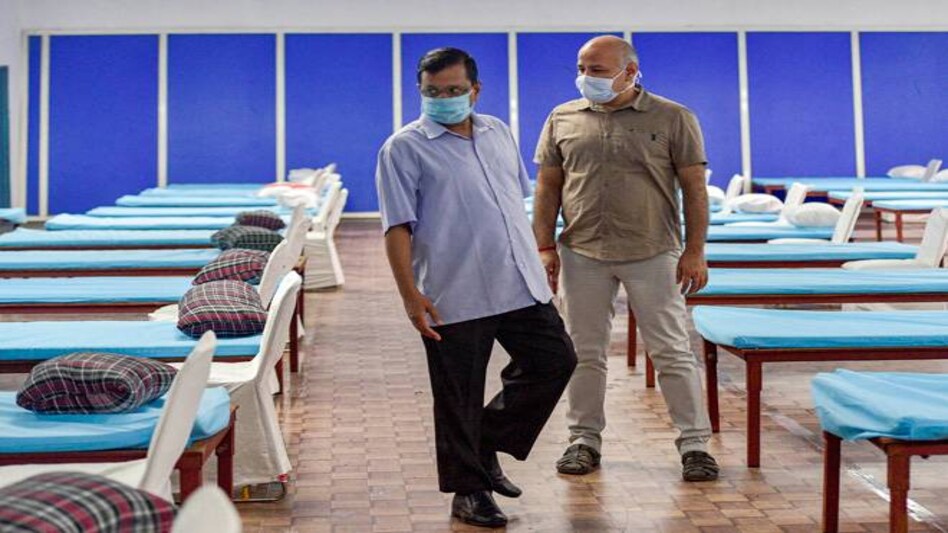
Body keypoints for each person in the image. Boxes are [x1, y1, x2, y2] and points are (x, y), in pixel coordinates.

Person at [375, 47, 577, 528]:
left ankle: (482, 442)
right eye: (432, 92)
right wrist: (409, 296)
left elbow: (512, 205)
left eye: (453, 91)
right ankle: (469, 493)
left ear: (476, 90)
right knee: (457, 396)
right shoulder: (403, 148)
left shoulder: (498, 133)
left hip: (518, 281)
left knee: (556, 361)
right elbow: (397, 228)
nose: (442, 99)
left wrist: (539, 256)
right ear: (420, 91)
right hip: (453, 293)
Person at [532, 35, 720, 482]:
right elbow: (547, 188)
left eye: (597, 70)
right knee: (583, 351)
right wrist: (542, 245)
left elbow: (694, 189)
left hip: (652, 251)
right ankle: (583, 440)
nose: (585, 77)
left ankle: (695, 444)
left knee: (672, 350)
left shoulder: (673, 118)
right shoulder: (562, 118)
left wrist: (695, 251)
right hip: (582, 252)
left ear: (630, 72)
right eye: (582, 67)